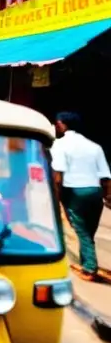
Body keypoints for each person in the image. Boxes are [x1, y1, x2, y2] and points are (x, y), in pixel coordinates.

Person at [51, 112, 110, 283]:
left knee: (81, 230)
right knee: (89, 231)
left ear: (62, 125)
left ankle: (90, 268)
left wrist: (56, 196)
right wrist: (107, 196)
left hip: (75, 191)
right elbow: (106, 176)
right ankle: (88, 260)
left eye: (57, 123)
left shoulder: (60, 145)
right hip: (95, 191)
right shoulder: (94, 146)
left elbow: (57, 174)